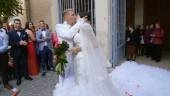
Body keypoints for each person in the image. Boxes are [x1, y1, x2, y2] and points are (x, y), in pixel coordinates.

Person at [53, 9, 120, 96]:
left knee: (81, 80)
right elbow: (68, 35)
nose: (74, 17)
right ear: (66, 17)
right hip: (65, 58)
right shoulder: (59, 26)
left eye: (75, 15)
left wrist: (80, 48)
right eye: (72, 15)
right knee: (65, 79)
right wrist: (80, 22)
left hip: (79, 58)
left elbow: (93, 44)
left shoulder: (82, 26)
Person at [9, 19, 33, 86]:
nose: (18, 25)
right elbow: (10, 43)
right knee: (16, 66)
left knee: (25, 64)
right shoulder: (10, 32)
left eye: (19, 23)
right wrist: (18, 43)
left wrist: (26, 43)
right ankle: (18, 79)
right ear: (14, 24)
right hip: (15, 52)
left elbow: (27, 40)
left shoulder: (24, 31)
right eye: (16, 23)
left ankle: (26, 76)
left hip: (24, 51)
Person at [0, 21, 20, 95]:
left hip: (2, 55)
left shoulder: (3, 33)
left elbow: (5, 46)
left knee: (4, 70)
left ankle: (5, 84)